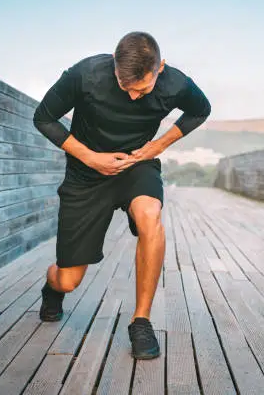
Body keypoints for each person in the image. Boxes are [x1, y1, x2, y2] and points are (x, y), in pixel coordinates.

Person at [33, 31, 211, 360]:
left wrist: (157, 146)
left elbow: (201, 110)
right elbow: (43, 117)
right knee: (69, 280)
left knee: (150, 217)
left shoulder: (176, 83)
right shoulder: (84, 75)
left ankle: (140, 320)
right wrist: (89, 157)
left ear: (160, 69)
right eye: (123, 85)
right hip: (86, 174)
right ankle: (52, 287)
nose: (132, 96)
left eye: (141, 89)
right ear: (114, 67)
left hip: (135, 166)